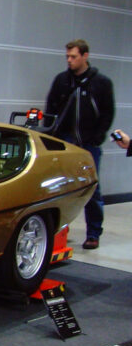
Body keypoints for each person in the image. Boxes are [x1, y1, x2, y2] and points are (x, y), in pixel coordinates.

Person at [45, 39, 115, 250]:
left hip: (88, 143)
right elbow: (51, 108)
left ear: (85, 56)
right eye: (67, 56)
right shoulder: (62, 81)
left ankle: (93, 233)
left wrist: (97, 136)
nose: (69, 60)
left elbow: (107, 112)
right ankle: (56, 233)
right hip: (64, 141)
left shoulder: (101, 83)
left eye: (73, 56)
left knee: (92, 189)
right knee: (57, 186)